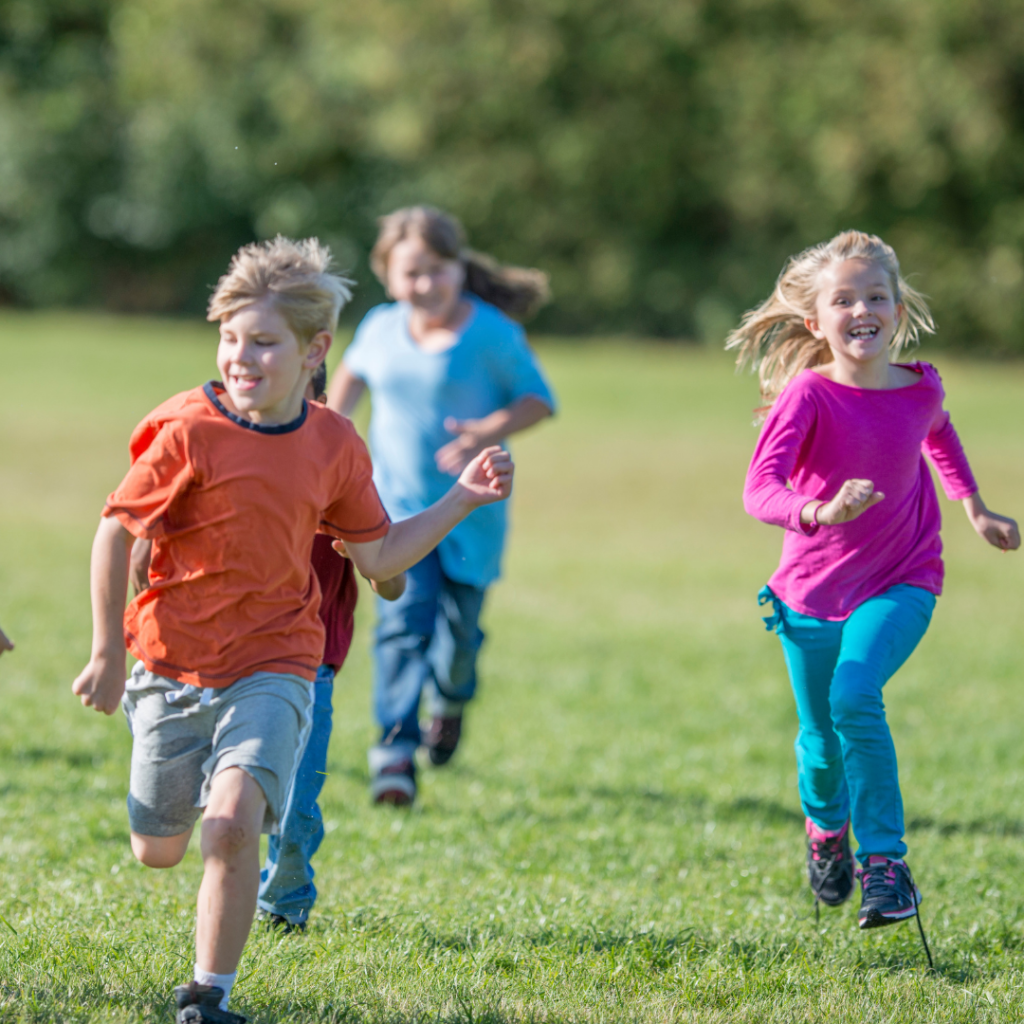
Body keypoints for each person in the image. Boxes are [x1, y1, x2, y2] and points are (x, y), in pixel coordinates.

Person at [71, 236, 514, 1024]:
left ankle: (209, 995)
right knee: (158, 848)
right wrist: (108, 652)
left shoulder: (334, 444)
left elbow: (378, 553)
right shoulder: (185, 431)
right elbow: (114, 533)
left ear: (315, 352)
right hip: (172, 664)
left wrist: (459, 502)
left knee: (234, 826)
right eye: (231, 339)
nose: (241, 357)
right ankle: (180, 806)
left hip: (277, 661)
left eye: (263, 343)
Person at [728, 230, 1019, 930]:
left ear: (897, 308)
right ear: (816, 321)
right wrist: (820, 510)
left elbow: (937, 430)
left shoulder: (920, 387)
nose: (863, 309)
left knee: (856, 693)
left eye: (876, 296)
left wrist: (972, 505)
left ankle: (885, 864)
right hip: (810, 592)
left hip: (904, 576)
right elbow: (757, 490)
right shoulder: (809, 395)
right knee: (821, 741)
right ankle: (825, 830)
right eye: (844, 299)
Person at [126, 364, 407, 938]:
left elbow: (390, 575)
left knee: (298, 801)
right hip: (211, 660)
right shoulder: (220, 462)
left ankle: (285, 900)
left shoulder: (332, 468)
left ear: (320, 403)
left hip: (308, 662)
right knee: (209, 807)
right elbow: (142, 556)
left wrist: (365, 558)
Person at [327, 205, 555, 806]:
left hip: (472, 515)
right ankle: (393, 754)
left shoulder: (491, 333)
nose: (424, 284)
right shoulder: (378, 328)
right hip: (395, 512)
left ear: (459, 267)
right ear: (386, 275)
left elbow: (539, 401)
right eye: (411, 273)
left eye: (437, 270)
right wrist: (320, 444)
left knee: (458, 641)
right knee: (402, 626)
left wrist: (487, 429)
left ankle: (449, 701)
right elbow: (340, 398)